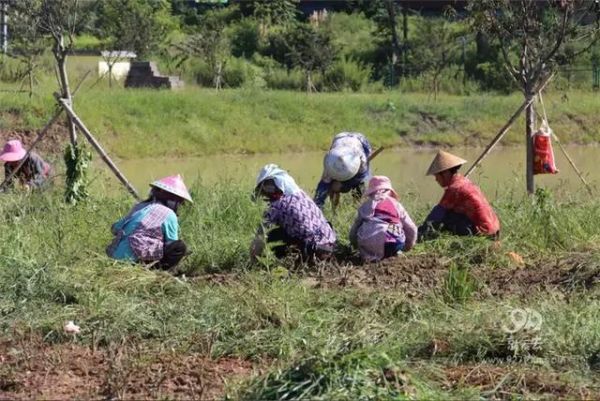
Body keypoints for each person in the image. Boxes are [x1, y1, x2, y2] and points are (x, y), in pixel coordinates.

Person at [251, 163, 336, 262]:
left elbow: (260, 236)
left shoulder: (276, 206)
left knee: (271, 234)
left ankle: (280, 262)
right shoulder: (301, 195)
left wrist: (253, 259)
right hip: (329, 245)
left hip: (314, 249)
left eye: (267, 186)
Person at [106, 174, 192, 270]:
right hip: (135, 261)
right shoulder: (169, 214)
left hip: (114, 256)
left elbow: (115, 228)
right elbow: (172, 243)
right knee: (179, 247)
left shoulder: (139, 206)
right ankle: (156, 271)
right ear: (174, 200)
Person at [419, 150, 500, 239]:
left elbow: (437, 214)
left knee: (444, 218)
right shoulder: (463, 181)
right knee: (449, 213)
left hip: (482, 231)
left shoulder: (455, 188)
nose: (436, 180)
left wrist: (419, 231)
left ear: (445, 174)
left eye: (436, 176)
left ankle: (422, 237)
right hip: (493, 229)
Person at [349, 176, 417, 262]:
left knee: (365, 230)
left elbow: (355, 228)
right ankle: (393, 253)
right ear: (390, 192)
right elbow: (411, 228)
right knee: (396, 233)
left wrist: (354, 244)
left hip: (368, 241)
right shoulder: (396, 205)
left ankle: (370, 256)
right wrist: (408, 245)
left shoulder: (365, 206)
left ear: (371, 194)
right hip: (391, 241)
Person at [314, 132, 372, 208]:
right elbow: (323, 185)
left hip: (361, 141)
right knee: (331, 185)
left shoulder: (361, 161)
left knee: (359, 186)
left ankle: (357, 208)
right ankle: (334, 209)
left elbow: (360, 178)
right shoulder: (330, 161)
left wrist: (344, 184)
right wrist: (317, 205)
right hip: (340, 138)